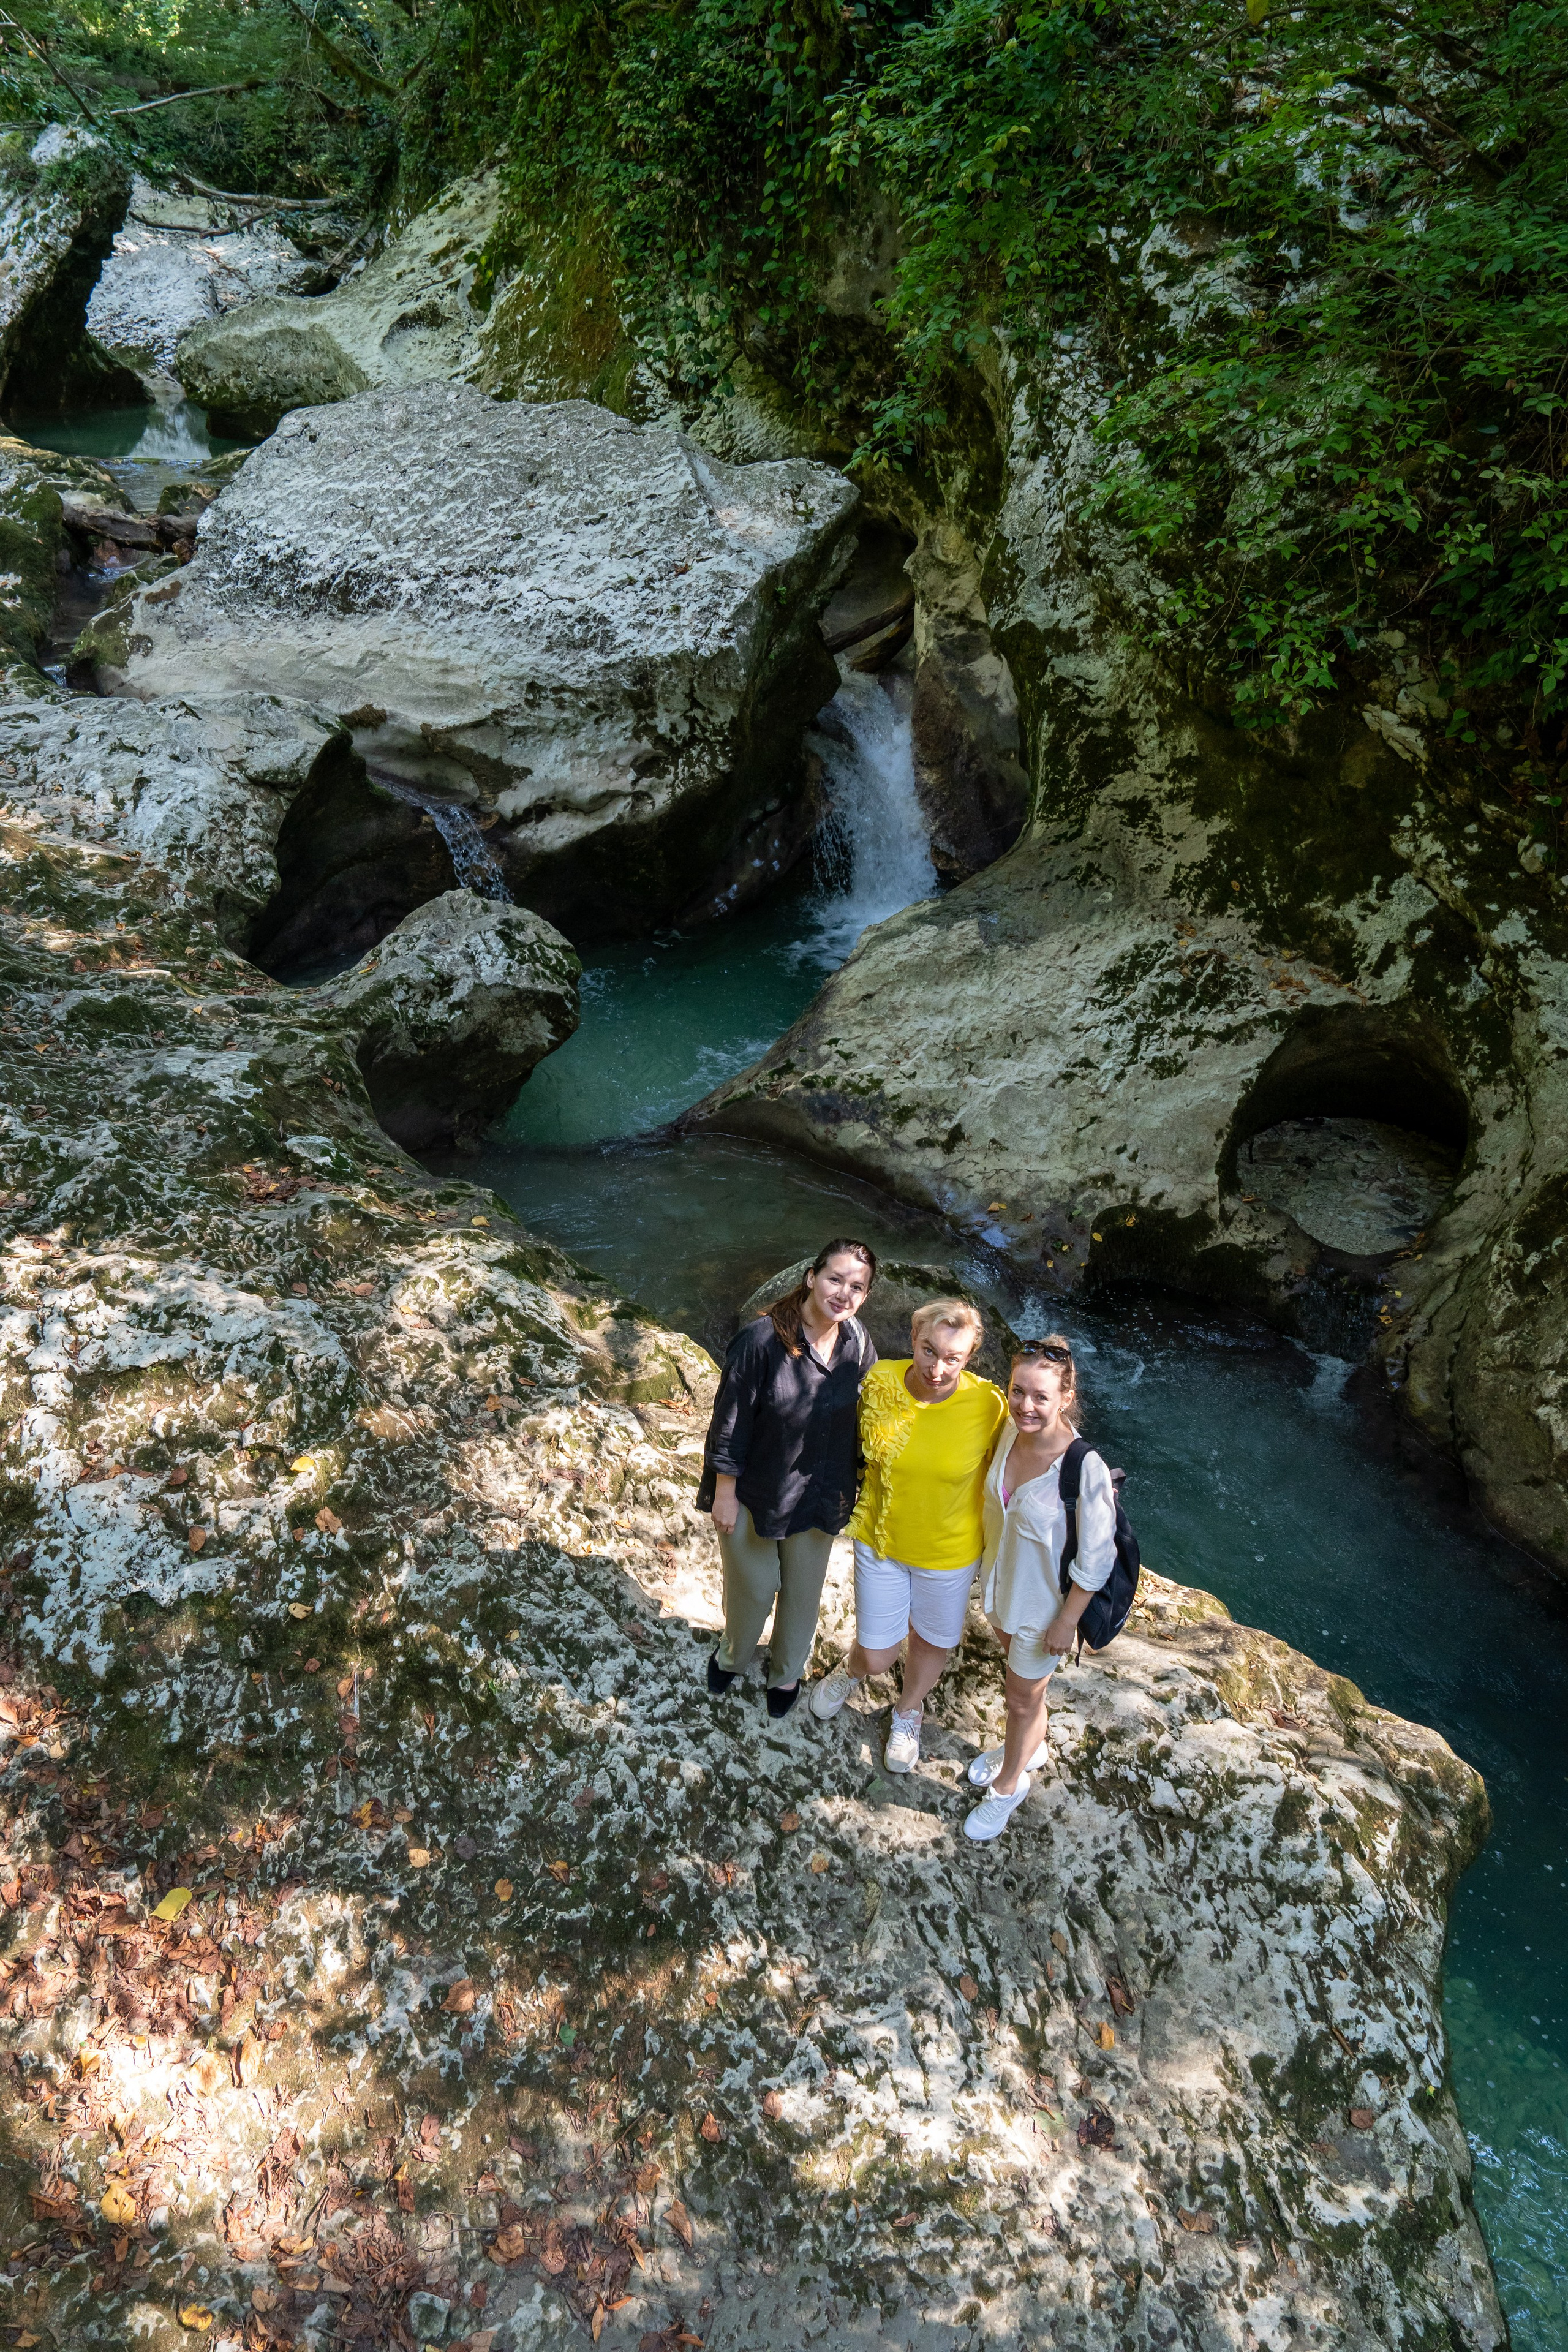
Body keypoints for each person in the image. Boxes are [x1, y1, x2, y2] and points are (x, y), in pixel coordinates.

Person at [810, 1298, 1006, 1771]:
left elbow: (1017, 1467)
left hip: (949, 1553)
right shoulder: (879, 1381)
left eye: (953, 1358)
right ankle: (852, 1670)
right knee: (878, 1655)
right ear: (914, 1339)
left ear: (970, 1357)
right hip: (882, 1542)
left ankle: (909, 1710)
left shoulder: (989, 1405)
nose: (938, 1369)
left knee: (931, 1643)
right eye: (928, 1351)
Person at [697, 1240, 878, 1719]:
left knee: (803, 1594)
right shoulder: (760, 1341)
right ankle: (733, 1655)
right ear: (811, 1278)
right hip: (757, 1490)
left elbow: (871, 1412)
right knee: (755, 1587)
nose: (843, 1294)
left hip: (821, 1490)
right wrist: (724, 1492)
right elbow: (730, 1421)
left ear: (865, 1296)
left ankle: (786, 1672)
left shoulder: (857, 1342)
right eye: (835, 1279)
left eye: (856, 1287)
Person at [962, 1335, 1116, 1842]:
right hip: (1002, 1590)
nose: (1026, 1405)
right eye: (1018, 1391)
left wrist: (1066, 1621)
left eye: (1041, 1397)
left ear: (1066, 1399)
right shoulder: (1010, 1432)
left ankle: (1009, 1786)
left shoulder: (1083, 1467)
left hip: (1044, 1610)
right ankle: (1029, 1747)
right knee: (1028, 1694)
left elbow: (1096, 1559)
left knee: (1020, 1700)